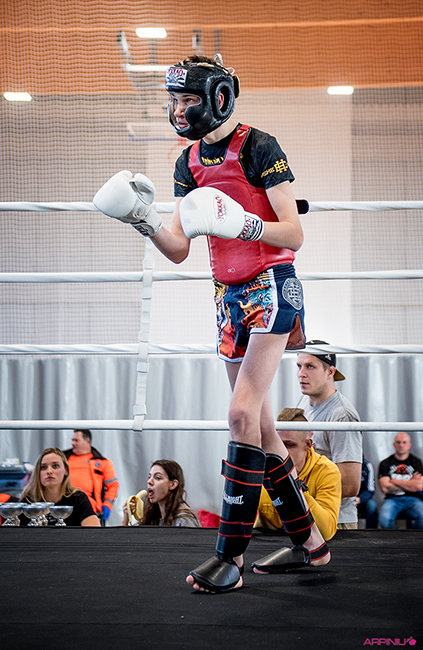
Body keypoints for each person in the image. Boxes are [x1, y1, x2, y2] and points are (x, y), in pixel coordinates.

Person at [93, 53, 330, 594]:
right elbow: (179, 249)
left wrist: (245, 225)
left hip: (271, 286)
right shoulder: (188, 163)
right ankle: (311, 544)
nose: (179, 110)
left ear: (219, 98)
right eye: (174, 100)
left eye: (188, 100)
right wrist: (143, 220)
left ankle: (230, 557)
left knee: (240, 413)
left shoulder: (259, 146)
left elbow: (293, 234)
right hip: (227, 296)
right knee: (260, 428)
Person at [296, 340, 362, 528]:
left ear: (330, 372)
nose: (301, 374)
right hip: (307, 514)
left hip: (336, 521)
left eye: (310, 366)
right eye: (299, 366)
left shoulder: (342, 415)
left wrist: (296, 486)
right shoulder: (304, 402)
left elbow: (350, 484)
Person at [255, 408, 341, 541]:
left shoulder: (327, 471)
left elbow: (325, 532)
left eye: (288, 445)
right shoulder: (262, 468)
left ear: (308, 444)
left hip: (309, 544)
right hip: (266, 542)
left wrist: (296, 488)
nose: (281, 451)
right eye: (277, 444)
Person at [19, 448, 100, 526]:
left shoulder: (78, 498)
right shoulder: (28, 501)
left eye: (55, 466)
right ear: (38, 472)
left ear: (66, 470)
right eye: (43, 467)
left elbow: (94, 532)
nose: (49, 471)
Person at [121, 459, 200, 527]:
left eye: (157, 478)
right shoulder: (152, 516)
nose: (149, 481)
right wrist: (126, 518)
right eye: (149, 477)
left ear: (173, 484)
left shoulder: (185, 520)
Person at [64, 429, 119, 524]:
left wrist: (107, 505)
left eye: (76, 440)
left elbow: (113, 486)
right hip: (65, 503)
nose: (73, 443)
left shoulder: (102, 462)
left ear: (87, 441)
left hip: (89, 506)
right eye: (72, 440)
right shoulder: (63, 458)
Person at [378, 432, 423, 529]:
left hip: (413, 499)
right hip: (392, 500)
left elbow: (419, 486)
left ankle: (413, 538)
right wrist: (411, 482)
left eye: (404, 442)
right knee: (384, 519)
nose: (401, 445)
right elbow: (385, 488)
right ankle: (393, 539)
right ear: (394, 445)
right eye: (398, 442)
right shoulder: (385, 463)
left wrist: (395, 481)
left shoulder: (416, 462)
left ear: (409, 445)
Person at [356, 457, 378, 528]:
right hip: (345, 497)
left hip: (362, 498)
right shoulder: (343, 464)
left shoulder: (367, 465)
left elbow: (370, 490)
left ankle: (371, 532)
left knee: (372, 506)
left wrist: (359, 499)